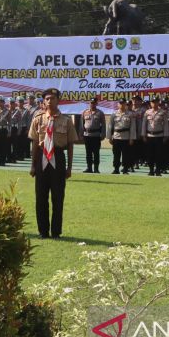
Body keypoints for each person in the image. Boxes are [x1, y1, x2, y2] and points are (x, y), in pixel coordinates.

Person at [29, 88, 78, 239]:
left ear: (58, 100)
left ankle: (56, 231)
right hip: (42, 158)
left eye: (53, 98)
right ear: (44, 101)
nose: (50, 101)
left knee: (58, 197)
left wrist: (69, 167)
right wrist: (32, 165)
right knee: (40, 197)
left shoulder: (66, 120)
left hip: (58, 157)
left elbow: (70, 144)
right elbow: (35, 142)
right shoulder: (38, 119)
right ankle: (43, 231)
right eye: (47, 99)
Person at [107, 98, 137, 174]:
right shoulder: (114, 114)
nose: (121, 105)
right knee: (116, 154)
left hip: (126, 137)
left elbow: (132, 127)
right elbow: (110, 126)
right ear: (118, 104)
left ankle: (125, 169)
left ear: (125, 105)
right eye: (120, 103)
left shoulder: (130, 114)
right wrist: (110, 137)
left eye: (123, 103)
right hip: (116, 136)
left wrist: (132, 138)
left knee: (126, 154)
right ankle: (116, 169)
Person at [142, 96, 169, 176]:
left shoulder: (163, 112)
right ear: (150, 103)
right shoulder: (147, 112)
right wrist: (143, 135)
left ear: (158, 103)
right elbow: (144, 125)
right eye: (152, 102)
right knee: (150, 154)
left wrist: (166, 135)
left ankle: (158, 170)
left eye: (156, 102)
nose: (154, 103)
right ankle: (151, 170)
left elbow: (165, 125)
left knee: (159, 154)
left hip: (159, 136)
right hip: (149, 136)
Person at [80, 97, 105, 173]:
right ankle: (89, 168)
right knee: (88, 153)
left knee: (96, 153)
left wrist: (103, 134)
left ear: (96, 103)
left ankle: (96, 168)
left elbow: (103, 125)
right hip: (87, 135)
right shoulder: (84, 112)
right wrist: (81, 134)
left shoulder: (100, 113)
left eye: (94, 103)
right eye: (91, 103)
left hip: (96, 135)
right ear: (89, 103)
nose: (92, 104)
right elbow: (81, 124)